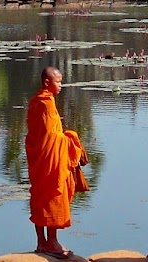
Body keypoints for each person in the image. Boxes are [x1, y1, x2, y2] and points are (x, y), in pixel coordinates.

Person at [25, 66, 87, 260]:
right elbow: (53, 137)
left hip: (39, 159)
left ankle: (41, 242)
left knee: (40, 196)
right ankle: (51, 243)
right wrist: (71, 139)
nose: (61, 85)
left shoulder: (35, 101)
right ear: (47, 82)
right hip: (50, 161)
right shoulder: (46, 104)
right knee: (53, 194)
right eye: (58, 81)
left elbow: (36, 136)